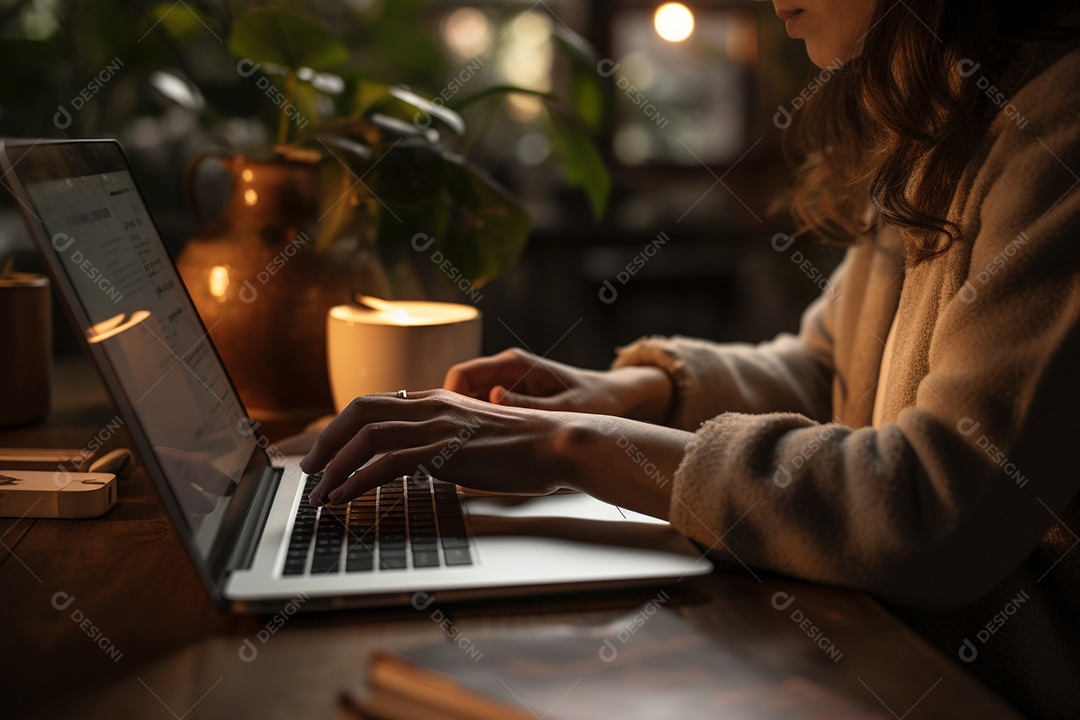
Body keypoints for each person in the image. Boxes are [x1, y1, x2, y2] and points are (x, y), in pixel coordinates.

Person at [305, 1, 1080, 716]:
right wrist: (642, 392)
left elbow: (932, 505)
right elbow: (828, 373)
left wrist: (567, 446)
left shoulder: (1060, 129)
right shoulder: (942, 123)